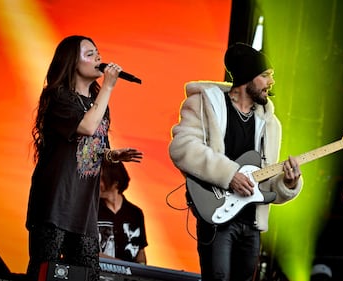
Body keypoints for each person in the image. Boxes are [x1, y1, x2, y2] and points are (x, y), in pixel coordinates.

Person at [168, 42, 303, 281]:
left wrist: (288, 184)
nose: (271, 82)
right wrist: (229, 175)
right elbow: (182, 147)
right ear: (246, 78)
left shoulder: (271, 124)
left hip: (251, 222)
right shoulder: (204, 104)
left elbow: (267, 182)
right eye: (265, 76)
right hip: (218, 217)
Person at [26, 35, 143, 281]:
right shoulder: (59, 97)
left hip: (84, 210)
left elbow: (96, 146)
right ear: (71, 62)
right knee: (45, 273)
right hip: (55, 206)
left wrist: (114, 154)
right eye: (89, 54)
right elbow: (86, 127)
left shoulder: (99, 104)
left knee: (87, 274)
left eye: (98, 53)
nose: (98, 58)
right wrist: (109, 86)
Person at [98, 159, 148, 264]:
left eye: (102, 178)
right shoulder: (92, 211)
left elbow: (140, 252)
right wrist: (122, 266)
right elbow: (87, 252)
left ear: (115, 182)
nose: (97, 183)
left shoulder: (135, 213)